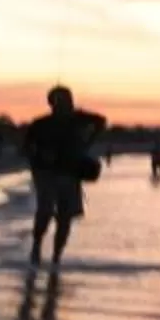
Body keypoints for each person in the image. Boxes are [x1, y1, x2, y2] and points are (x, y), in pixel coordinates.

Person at [22, 87, 107, 265]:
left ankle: (56, 257)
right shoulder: (41, 124)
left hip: (70, 172)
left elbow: (101, 121)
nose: (66, 104)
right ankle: (37, 246)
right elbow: (25, 149)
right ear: (52, 103)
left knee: (65, 217)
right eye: (61, 100)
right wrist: (39, 157)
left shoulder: (78, 119)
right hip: (46, 173)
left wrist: (87, 142)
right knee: (45, 211)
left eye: (67, 99)